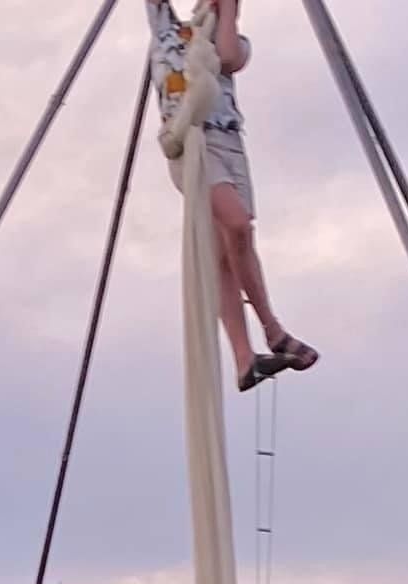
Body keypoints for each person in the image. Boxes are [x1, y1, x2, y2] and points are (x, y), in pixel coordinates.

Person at [146, 0, 316, 393]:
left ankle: (245, 359)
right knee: (238, 226)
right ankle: (273, 329)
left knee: (227, 253)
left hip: (231, 146)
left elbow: (226, 58)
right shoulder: (167, 32)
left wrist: (226, 12)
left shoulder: (233, 43)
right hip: (191, 144)